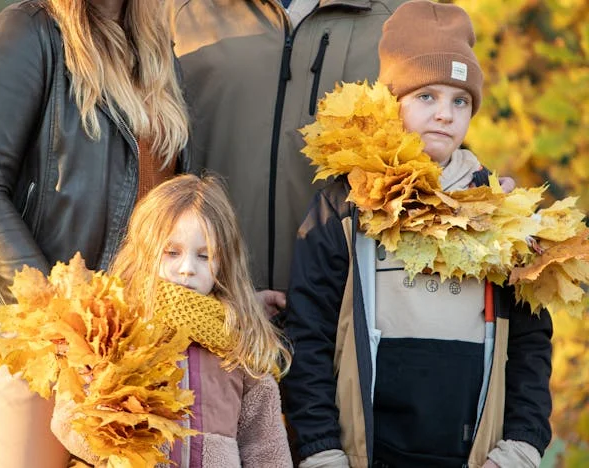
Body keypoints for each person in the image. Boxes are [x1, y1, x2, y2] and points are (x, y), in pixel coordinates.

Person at [282, 2, 552, 468]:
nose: (444, 115)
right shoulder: (346, 207)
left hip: (472, 454)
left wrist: (520, 447)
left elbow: (531, 345)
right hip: (363, 452)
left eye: (459, 100)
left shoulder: (503, 217)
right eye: (426, 96)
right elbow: (308, 334)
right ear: (392, 103)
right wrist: (321, 449)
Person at [0, 0, 190, 466]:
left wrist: (226, 295)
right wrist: (61, 319)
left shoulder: (156, 50)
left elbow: (173, 204)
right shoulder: (23, 34)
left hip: (131, 345)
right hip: (31, 335)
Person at [171, 0, 408, 311]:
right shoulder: (175, 10)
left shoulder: (401, 15)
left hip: (341, 317)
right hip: (199, 310)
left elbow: (438, 141)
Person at [52, 174, 294, 467]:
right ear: (145, 252)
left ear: (225, 262)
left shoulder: (240, 343)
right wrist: (118, 435)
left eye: (205, 256)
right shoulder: (115, 331)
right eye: (172, 253)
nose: (187, 269)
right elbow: (69, 420)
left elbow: (266, 448)